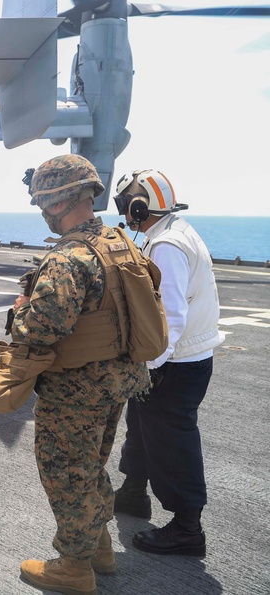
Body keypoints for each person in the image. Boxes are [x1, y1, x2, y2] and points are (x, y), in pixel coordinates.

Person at [11, 155, 149, 595]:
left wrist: (17, 316)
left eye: (43, 203)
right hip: (118, 381)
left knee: (66, 474)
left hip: (75, 388)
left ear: (58, 200)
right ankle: (100, 546)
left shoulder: (68, 256)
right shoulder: (119, 242)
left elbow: (43, 327)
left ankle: (73, 566)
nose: (42, 211)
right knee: (90, 467)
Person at [111, 169, 222, 557]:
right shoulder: (175, 230)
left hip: (175, 363)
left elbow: (170, 316)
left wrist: (148, 367)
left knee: (173, 443)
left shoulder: (167, 246)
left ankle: (187, 529)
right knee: (142, 428)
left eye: (125, 204)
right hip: (183, 358)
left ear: (138, 206)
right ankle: (133, 494)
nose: (124, 211)